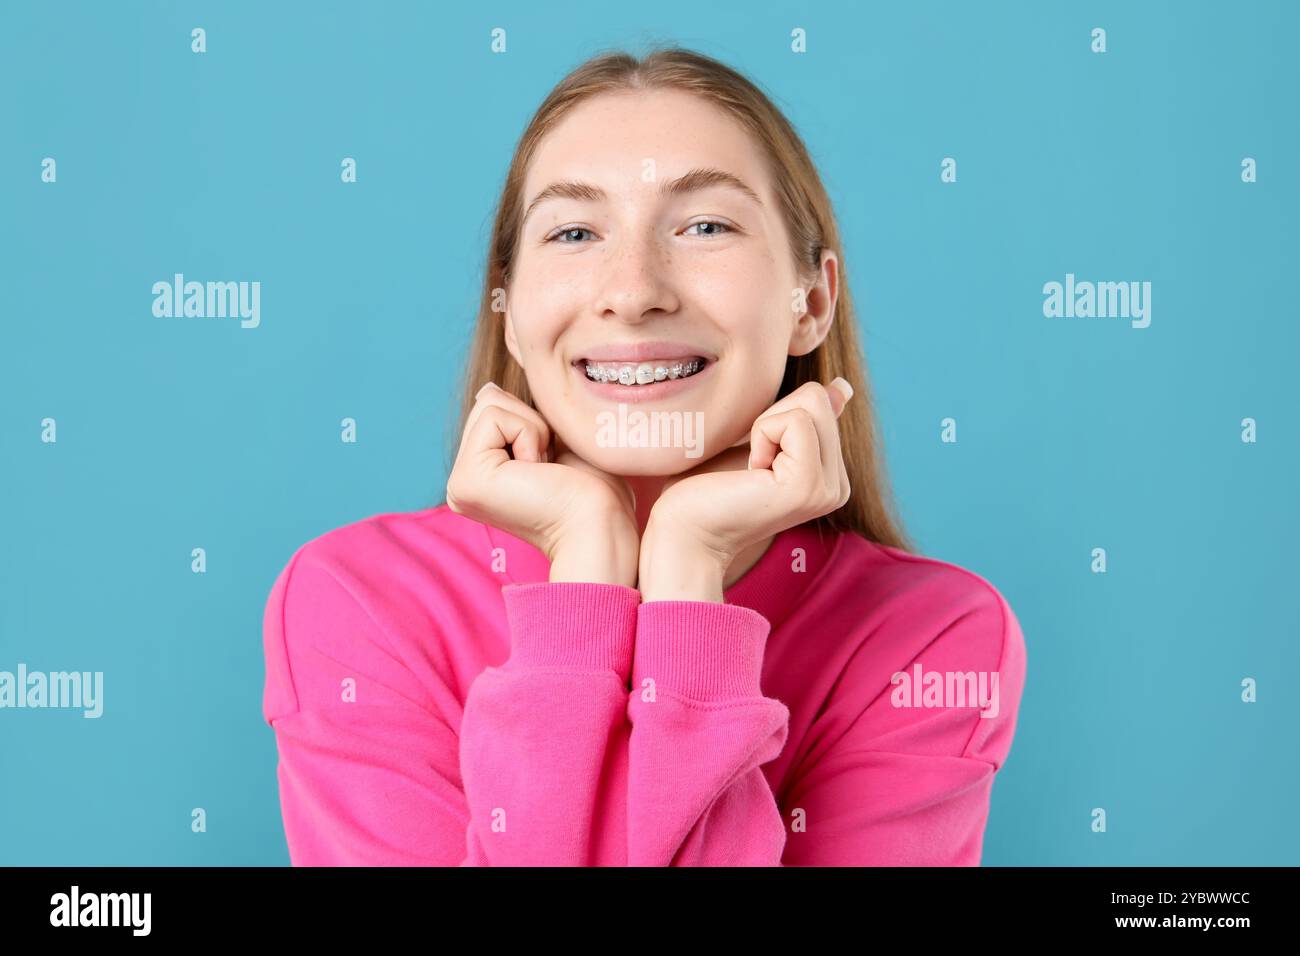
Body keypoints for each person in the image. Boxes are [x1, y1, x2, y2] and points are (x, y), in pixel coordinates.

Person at [261, 47, 1027, 866]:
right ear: (511, 313)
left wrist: (688, 576)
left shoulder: (928, 637)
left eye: (705, 226)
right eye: (575, 231)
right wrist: (586, 574)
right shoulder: (359, 603)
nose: (633, 290)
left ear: (812, 303)